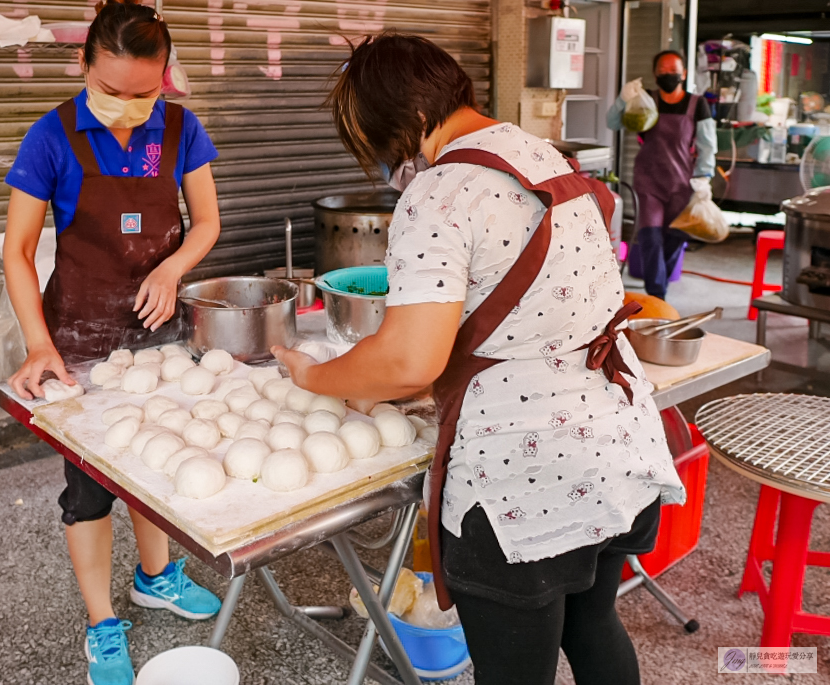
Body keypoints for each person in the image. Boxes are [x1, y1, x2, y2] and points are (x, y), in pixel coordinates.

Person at [273, 33, 686, 685]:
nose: (390, 163)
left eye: (384, 145)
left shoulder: (438, 191)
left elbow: (409, 358)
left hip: (528, 477)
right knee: (593, 624)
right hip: (616, 444)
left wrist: (315, 373)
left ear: (412, 122)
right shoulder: (544, 156)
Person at [3, 2, 222, 683]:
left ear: (166, 77)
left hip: (156, 330)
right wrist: (40, 344)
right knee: (91, 487)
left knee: (157, 468)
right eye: (111, 92)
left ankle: (155, 574)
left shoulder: (181, 129)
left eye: (144, 93)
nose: (128, 107)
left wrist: (172, 265)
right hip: (79, 337)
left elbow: (207, 221)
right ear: (82, 66)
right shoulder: (50, 136)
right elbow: (16, 250)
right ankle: (102, 621)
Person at [607, 50, 717, 300]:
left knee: (675, 237)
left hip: (682, 182)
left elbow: (707, 144)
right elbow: (613, 123)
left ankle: (660, 285)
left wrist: (704, 177)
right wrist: (622, 101)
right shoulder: (647, 101)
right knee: (650, 237)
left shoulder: (696, 104)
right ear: (655, 75)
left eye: (674, 70)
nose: (669, 75)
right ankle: (657, 295)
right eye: (663, 71)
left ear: (684, 73)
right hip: (648, 181)